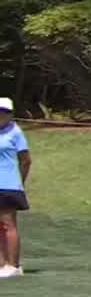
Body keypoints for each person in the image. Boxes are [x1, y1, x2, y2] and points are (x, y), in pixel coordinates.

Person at [0, 97, 30, 278]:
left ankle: (14, 265)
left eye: (4, 112)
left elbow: (26, 160)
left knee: (8, 224)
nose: (0, 115)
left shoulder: (16, 132)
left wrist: (20, 182)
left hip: (9, 184)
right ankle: (2, 264)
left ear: (10, 114)